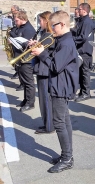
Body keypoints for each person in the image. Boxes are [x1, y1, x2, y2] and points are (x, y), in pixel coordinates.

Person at [31, 10, 79, 173]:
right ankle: (67, 155)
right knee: (64, 121)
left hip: (61, 86)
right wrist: (39, 49)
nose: (52, 29)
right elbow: (55, 58)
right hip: (60, 84)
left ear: (63, 24)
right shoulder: (61, 39)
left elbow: (55, 66)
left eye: (54, 26)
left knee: (59, 122)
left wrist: (41, 53)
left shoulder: (66, 43)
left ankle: (67, 159)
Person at [28, 11, 55, 134]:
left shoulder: (49, 35)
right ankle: (47, 124)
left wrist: (33, 47)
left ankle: (49, 126)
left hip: (44, 71)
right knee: (43, 100)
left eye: (40, 20)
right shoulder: (45, 34)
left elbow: (43, 52)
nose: (39, 23)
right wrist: (34, 44)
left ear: (46, 21)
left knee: (45, 100)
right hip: (42, 70)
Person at [10, 11, 36, 112]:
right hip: (21, 59)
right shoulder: (21, 28)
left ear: (22, 19)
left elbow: (28, 45)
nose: (15, 22)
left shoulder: (28, 29)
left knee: (29, 82)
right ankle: (26, 100)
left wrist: (15, 40)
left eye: (16, 20)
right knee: (24, 82)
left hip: (27, 59)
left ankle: (30, 103)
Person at [71, 3, 95, 102]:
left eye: (80, 9)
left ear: (85, 10)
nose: (78, 10)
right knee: (81, 72)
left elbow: (83, 37)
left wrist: (72, 39)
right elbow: (78, 33)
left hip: (85, 51)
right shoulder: (82, 21)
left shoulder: (86, 22)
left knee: (85, 73)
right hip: (81, 50)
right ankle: (82, 91)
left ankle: (86, 93)